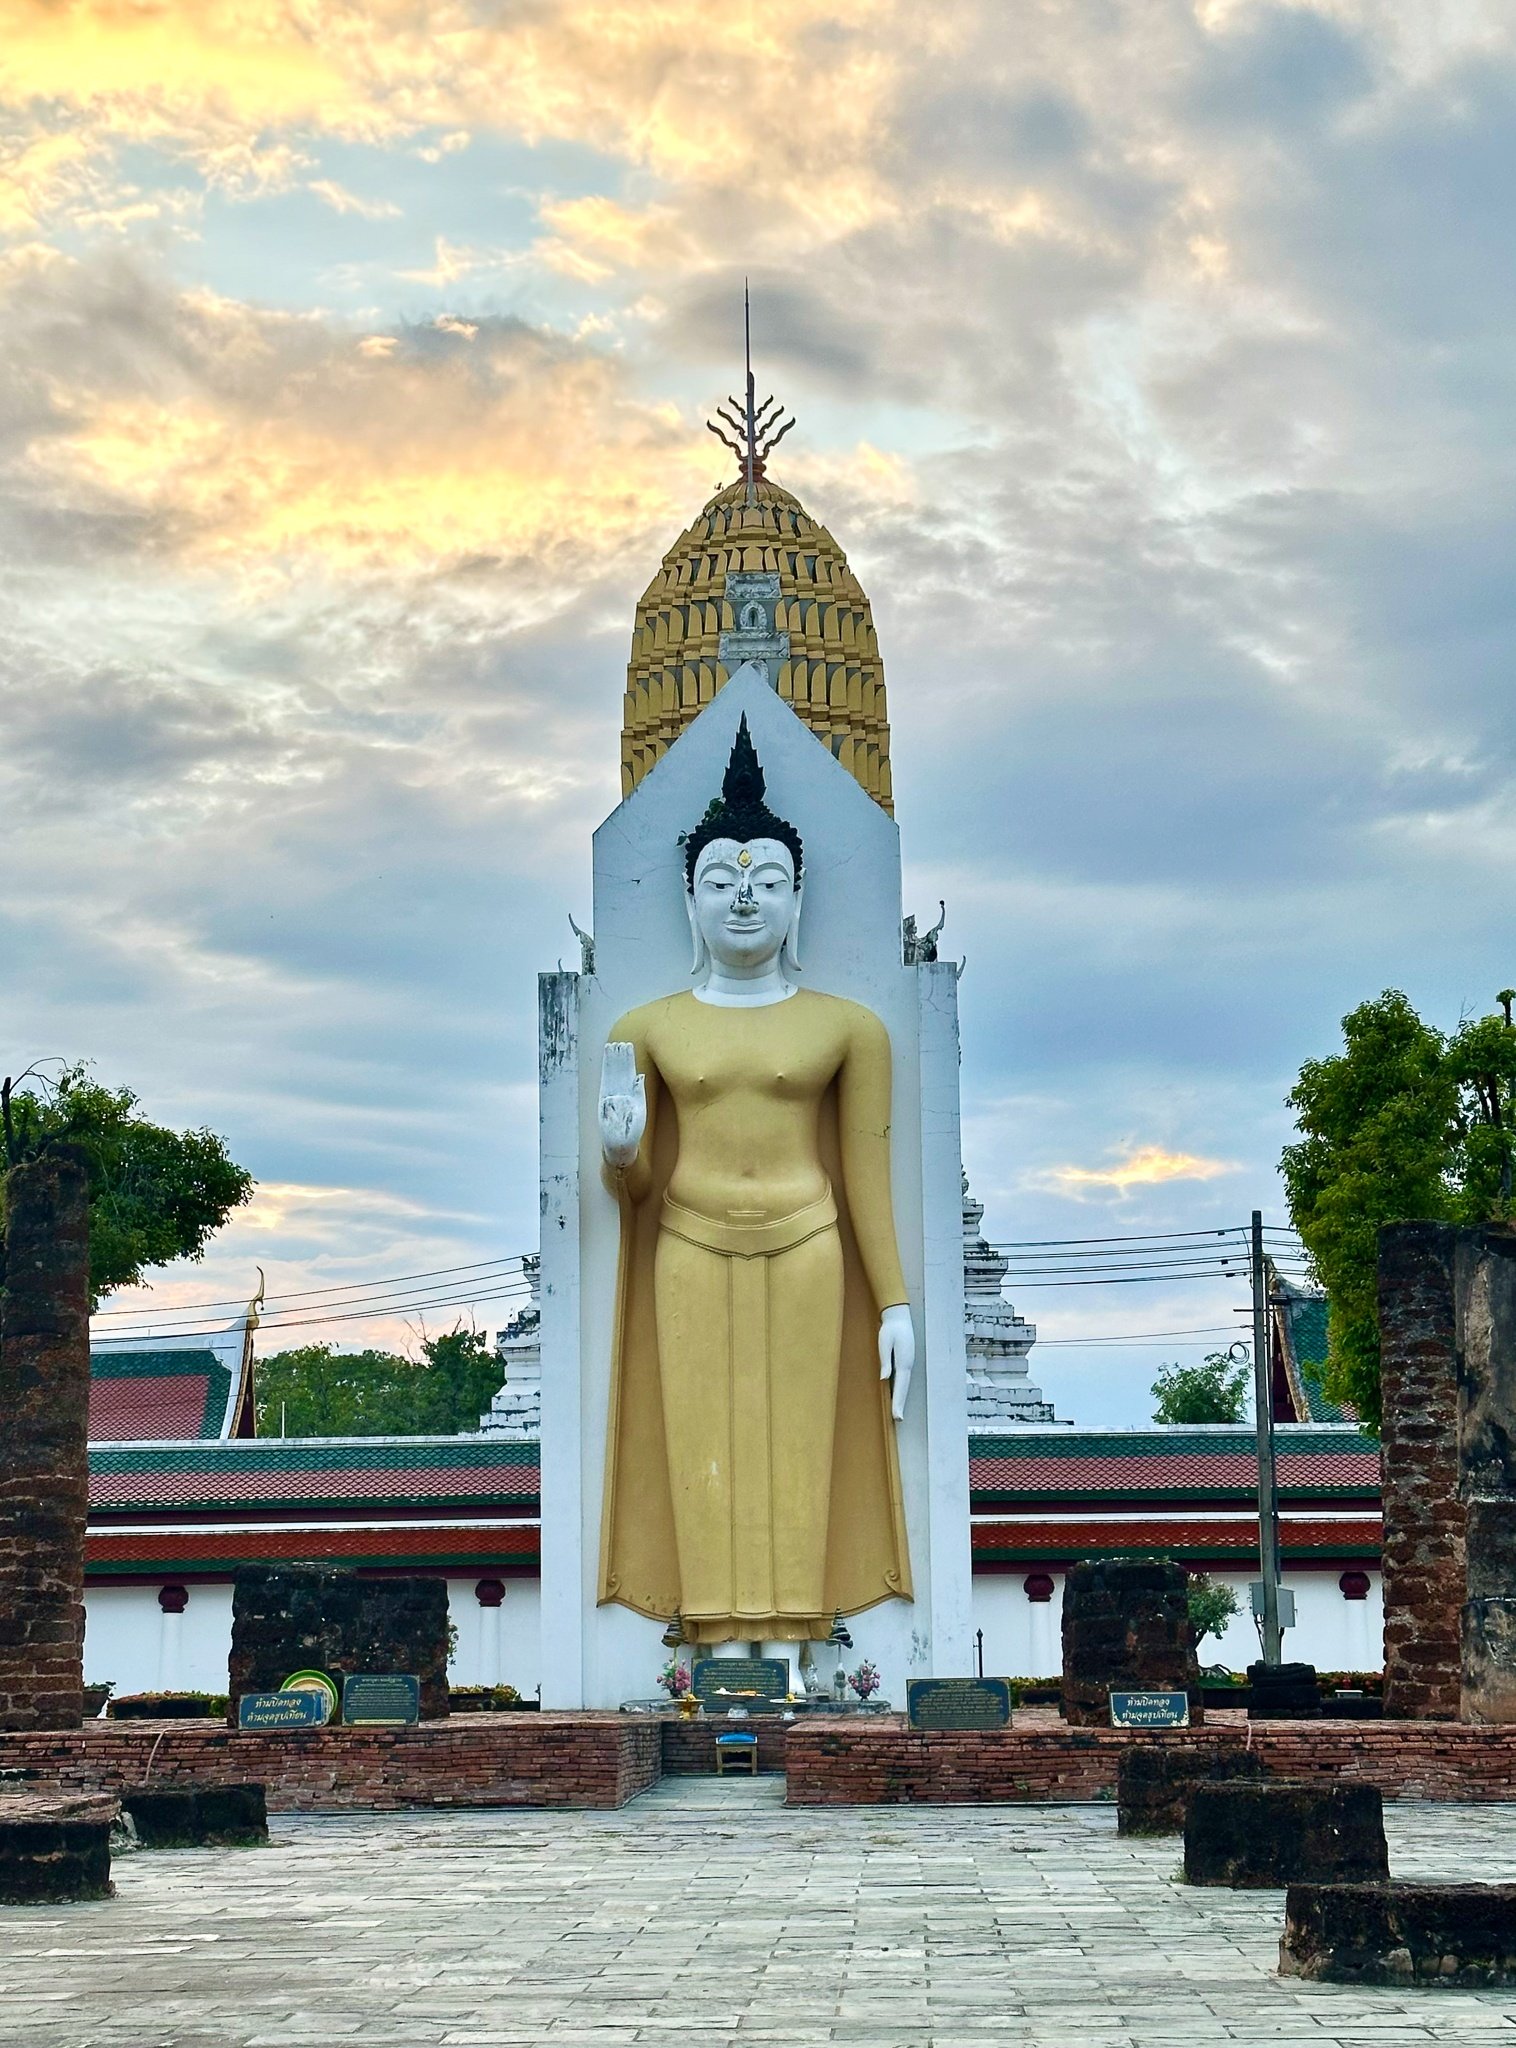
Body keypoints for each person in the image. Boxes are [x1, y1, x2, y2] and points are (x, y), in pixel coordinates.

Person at [596, 716, 914, 1682]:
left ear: (799, 898)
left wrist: (895, 1300)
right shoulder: (645, 1027)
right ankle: (716, 1641)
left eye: (768, 883)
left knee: (797, 1445)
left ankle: (788, 1643)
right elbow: (640, 1187)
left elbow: (866, 1170)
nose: (745, 901)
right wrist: (620, 1156)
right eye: (723, 885)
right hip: (686, 1242)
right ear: (690, 899)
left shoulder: (847, 1027)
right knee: (701, 1444)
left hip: (810, 1243)